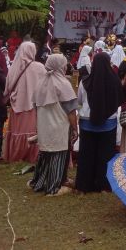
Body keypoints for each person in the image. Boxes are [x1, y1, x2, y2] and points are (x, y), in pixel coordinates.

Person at [75, 52, 124, 193]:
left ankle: (84, 185)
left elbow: (79, 101)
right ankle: (103, 185)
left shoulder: (85, 82)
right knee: (105, 155)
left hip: (87, 123)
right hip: (108, 123)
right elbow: (119, 99)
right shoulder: (115, 81)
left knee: (86, 155)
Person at [30, 54, 78, 196]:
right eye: (64, 64)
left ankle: (42, 181)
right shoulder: (63, 84)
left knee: (45, 153)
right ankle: (55, 184)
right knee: (59, 153)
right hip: (59, 125)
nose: (65, 67)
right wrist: (75, 128)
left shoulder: (40, 82)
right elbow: (70, 110)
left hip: (44, 125)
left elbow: (35, 105)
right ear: (60, 66)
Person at [3, 42, 43, 163]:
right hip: (33, 106)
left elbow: (8, 87)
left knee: (17, 131)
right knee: (31, 131)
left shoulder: (13, 67)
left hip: (17, 105)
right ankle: (31, 155)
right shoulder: (39, 67)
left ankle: (16, 154)